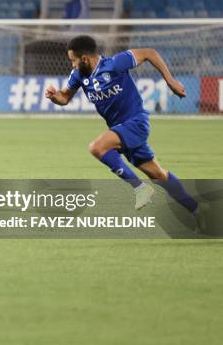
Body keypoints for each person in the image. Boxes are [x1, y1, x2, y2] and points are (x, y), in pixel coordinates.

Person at [44, 35, 204, 229]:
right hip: (120, 130)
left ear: (84, 58)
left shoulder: (116, 64)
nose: (73, 65)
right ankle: (197, 209)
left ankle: (139, 188)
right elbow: (64, 98)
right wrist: (54, 96)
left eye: (73, 60)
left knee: (97, 147)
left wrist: (170, 81)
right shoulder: (79, 75)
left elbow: (149, 53)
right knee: (158, 175)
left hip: (136, 122)